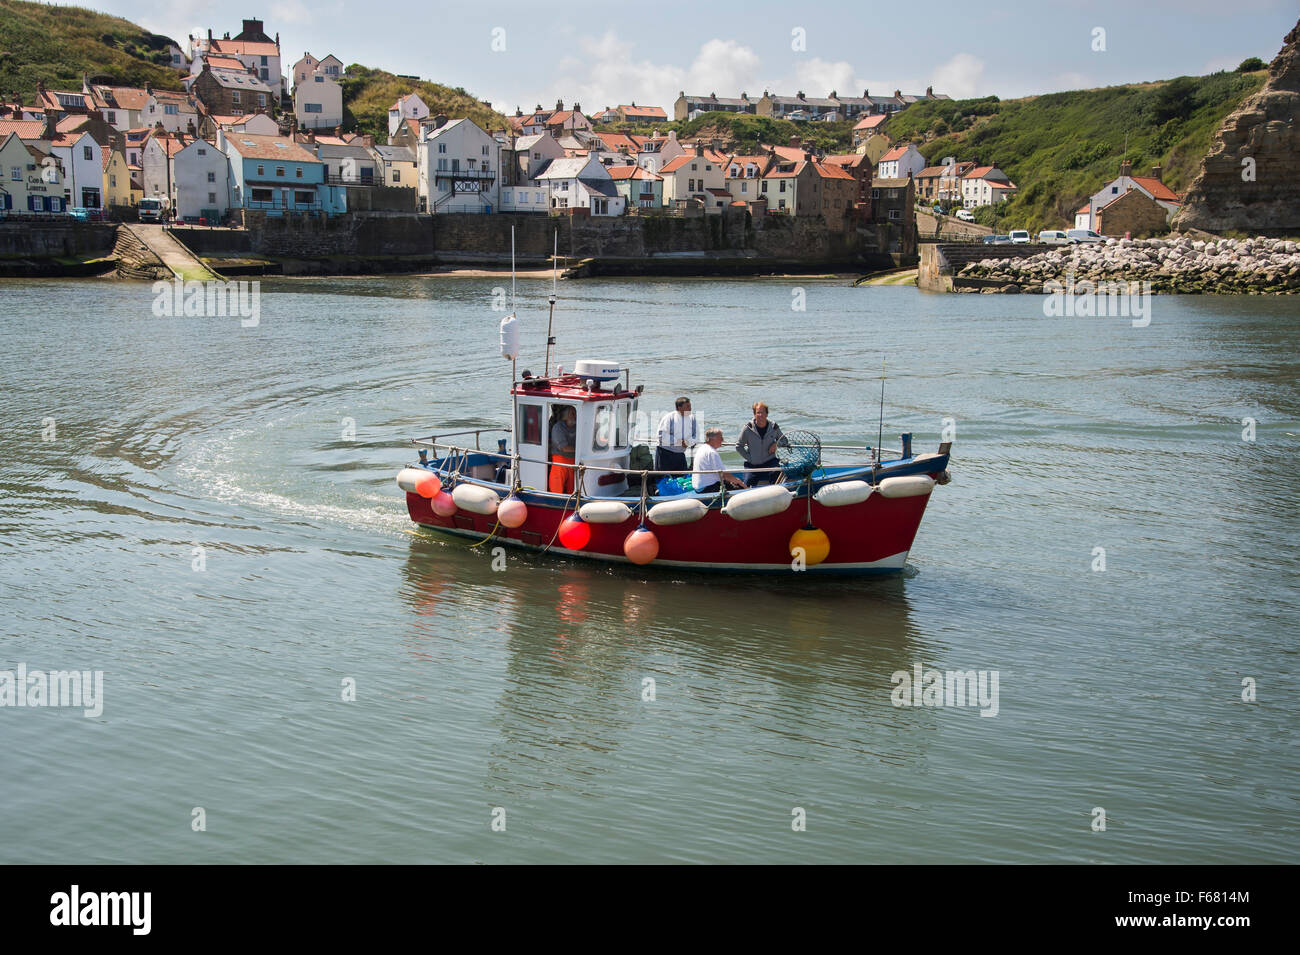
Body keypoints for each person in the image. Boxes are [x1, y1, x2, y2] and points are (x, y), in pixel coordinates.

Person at [735, 402, 786, 486]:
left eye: (763, 412)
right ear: (754, 414)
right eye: (758, 412)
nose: (760, 415)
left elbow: (784, 440)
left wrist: (776, 444)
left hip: (770, 461)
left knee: (777, 474)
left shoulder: (774, 427)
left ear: (767, 414)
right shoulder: (747, 428)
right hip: (753, 464)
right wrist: (750, 458)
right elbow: (739, 446)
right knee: (747, 483)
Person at [692, 428, 746, 494]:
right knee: (740, 488)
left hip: (699, 487)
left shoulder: (701, 448)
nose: (723, 440)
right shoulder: (711, 452)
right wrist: (740, 482)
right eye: (720, 437)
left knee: (732, 482)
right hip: (706, 488)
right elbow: (724, 475)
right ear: (713, 439)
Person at [655, 396, 698, 476]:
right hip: (665, 453)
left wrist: (688, 442)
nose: (690, 409)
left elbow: (696, 436)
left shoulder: (692, 418)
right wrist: (679, 442)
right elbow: (661, 435)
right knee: (663, 479)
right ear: (679, 407)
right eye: (687, 406)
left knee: (681, 479)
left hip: (680, 454)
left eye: (690, 406)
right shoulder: (669, 418)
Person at [548, 406, 577, 494]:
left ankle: (572, 504)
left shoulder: (578, 427)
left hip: (574, 463)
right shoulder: (558, 427)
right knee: (556, 489)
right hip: (559, 462)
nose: (575, 416)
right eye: (572, 413)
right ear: (566, 416)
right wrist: (579, 449)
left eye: (576, 413)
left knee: (572, 490)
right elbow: (564, 447)